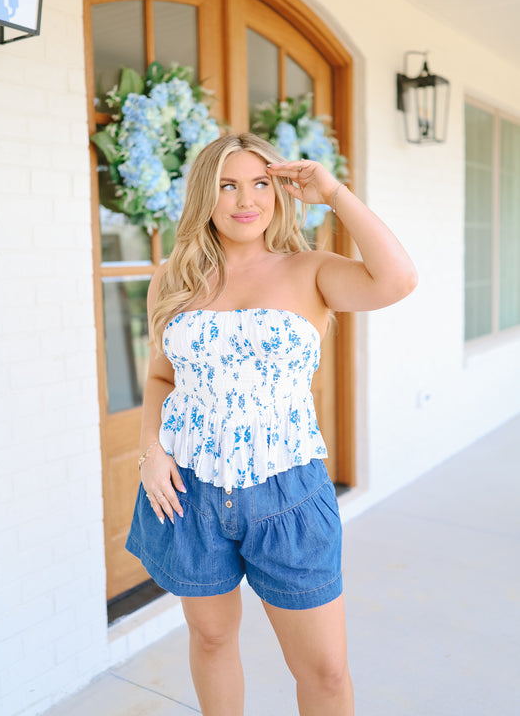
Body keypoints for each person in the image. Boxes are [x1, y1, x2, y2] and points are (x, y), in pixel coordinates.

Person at [126, 132, 418, 716]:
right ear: (204, 195)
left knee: (325, 672)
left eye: (261, 183)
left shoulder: (311, 270)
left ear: (280, 191)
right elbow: (161, 377)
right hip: (188, 491)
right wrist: (150, 451)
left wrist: (333, 193)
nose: (246, 200)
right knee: (211, 639)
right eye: (227, 185)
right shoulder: (173, 278)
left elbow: (398, 279)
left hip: (287, 492)